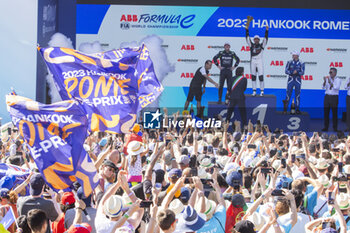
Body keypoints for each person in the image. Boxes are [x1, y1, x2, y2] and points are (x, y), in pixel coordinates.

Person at [245, 15, 269, 97]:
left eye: (257, 39)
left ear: (259, 40)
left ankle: (262, 91)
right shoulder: (251, 45)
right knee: (253, 76)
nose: (256, 40)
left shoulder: (262, 45)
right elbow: (247, 38)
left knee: (261, 76)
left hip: (259, 60)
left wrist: (266, 31)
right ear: (254, 40)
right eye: (255, 39)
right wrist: (247, 30)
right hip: (253, 61)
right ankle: (254, 91)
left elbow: (266, 39)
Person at [322, 68, 341, 132]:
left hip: (334, 97)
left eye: (331, 72)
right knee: (326, 113)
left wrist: (330, 82)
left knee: (334, 113)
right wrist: (325, 81)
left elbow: (336, 88)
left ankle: (335, 128)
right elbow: (323, 87)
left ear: (335, 73)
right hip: (327, 97)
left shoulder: (338, 79)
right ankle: (326, 127)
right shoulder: (327, 79)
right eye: (329, 72)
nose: (330, 74)